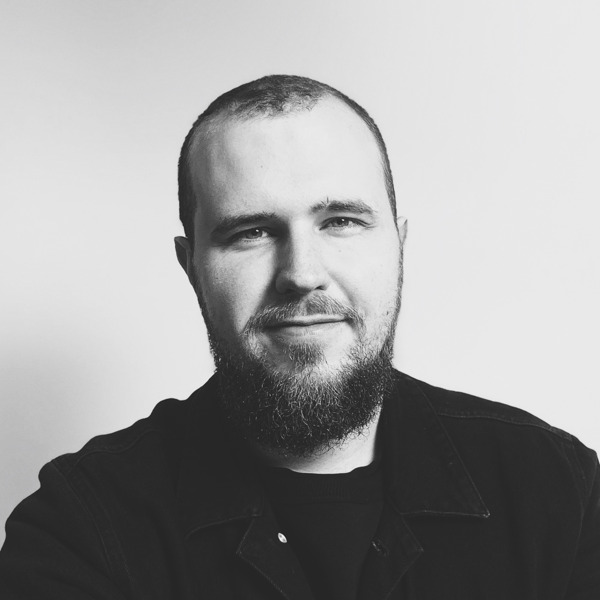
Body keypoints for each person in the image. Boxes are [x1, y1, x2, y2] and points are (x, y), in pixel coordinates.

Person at [0, 75, 598, 599]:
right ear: (191, 267)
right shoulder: (81, 528)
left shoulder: (557, 491)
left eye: (341, 221)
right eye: (251, 232)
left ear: (399, 244)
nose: (302, 273)